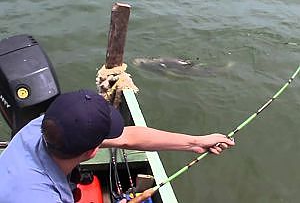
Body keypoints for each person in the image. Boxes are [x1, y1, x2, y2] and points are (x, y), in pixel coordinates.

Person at [0, 89, 235, 203]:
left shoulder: (42, 125)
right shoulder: (37, 197)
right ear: (94, 151)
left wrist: (195, 142)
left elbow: (128, 137)